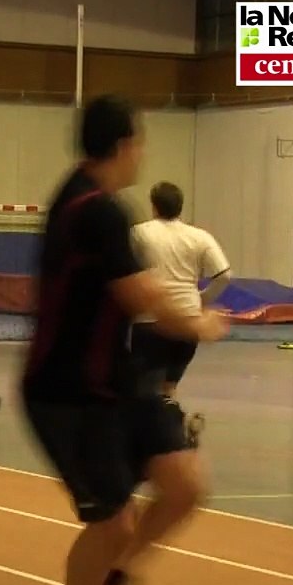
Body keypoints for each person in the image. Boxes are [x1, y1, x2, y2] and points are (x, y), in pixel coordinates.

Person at [22, 95, 228, 585]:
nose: (142, 154)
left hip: (120, 376)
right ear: (123, 145)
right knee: (114, 521)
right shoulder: (93, 210)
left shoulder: (102, 204)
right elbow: (143, 300)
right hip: (69, 392)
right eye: (139, 142)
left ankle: (116, 581)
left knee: (185, 483)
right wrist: (200, 323)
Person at [128, 181, 231, 443]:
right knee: (168, 389)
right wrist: (201, 300)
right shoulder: (200, 237)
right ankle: (176, 435)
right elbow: (223, 275)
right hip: (189, 324)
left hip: (151, 322)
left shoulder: (139, 233)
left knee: (143, 390)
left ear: (153, 205)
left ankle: (175, 426)